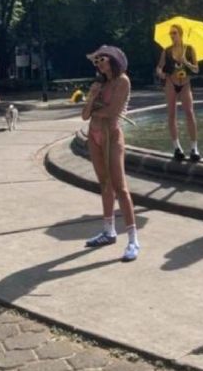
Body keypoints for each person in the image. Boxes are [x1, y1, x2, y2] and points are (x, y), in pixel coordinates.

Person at [81, 46, 140, 262]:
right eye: (95, 61)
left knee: (120, 187)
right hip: (94, 134)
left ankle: (133, 239)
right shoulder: (100, 84)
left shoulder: (122, 81)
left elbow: (113, 112)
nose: (98, 63)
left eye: (101, 59)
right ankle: (108, 231)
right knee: (104, 184)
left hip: (111, 136)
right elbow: (85, 115)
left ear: (112, 60)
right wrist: (93, 97)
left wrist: (96, 109)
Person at [156, 24, 200, 161]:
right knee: (171, 114)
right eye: (170, 33)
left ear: (180, 34)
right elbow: (159, 67)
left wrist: (185, 62)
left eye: (174, 33)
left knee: (189, 113)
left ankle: (194, 148)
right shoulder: (167, 50)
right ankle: (177, 147)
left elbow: (196, 69)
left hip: (185, 83)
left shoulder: (190, 49)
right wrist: (160, 73)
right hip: (171, 82)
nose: (172, 36)